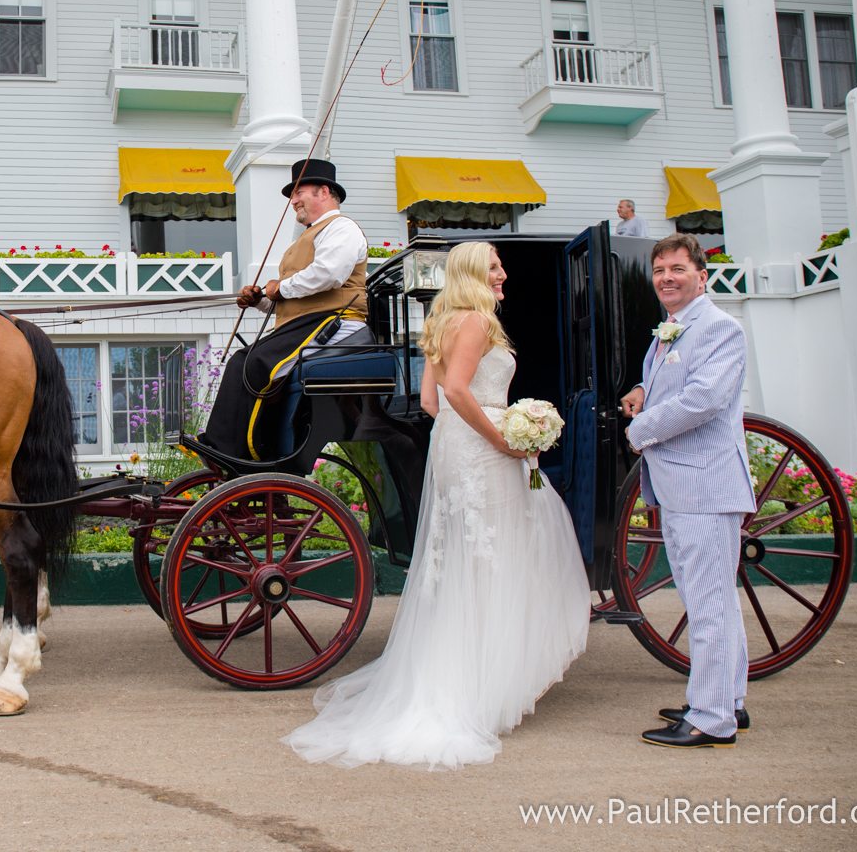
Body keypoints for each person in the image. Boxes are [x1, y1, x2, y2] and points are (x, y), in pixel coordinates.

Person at [282, 241, 590, 770]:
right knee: (494, 557)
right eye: (494, 265)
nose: (503, 273)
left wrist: (489, 424)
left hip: (456, 448)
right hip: (483, 450)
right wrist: (504, 436)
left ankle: (475, 675)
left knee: (469, 562)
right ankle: (484, 687)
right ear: (473, 272)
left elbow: (431, 401)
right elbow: (458, 390)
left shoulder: (443, 322)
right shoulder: (473, 321)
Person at [620, 233, 754, 749]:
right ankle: (728, 701)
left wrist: (640, 429)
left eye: (678, 269)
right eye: (660, 271)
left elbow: (703, 399)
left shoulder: (720, 327)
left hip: (704, 486)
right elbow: (678, 382)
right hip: (684, 483)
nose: (667, 278)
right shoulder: (673, 329)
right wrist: (642, 389)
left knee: (707, 605)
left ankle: (710, 718)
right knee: (714, 600)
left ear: (702, 275)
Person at [201, 158, 369, 461]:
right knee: (245, 362)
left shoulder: (342, 228)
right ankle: (237, 449)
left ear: (323, 191)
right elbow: (289, 298)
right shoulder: (308, 236)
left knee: (250, 363)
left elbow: (328, 274)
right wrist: (260, 300)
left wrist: (279, 287)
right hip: (306, 322)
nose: (293, 201)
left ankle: (240, 451)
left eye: (298, 192)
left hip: (335, 321)